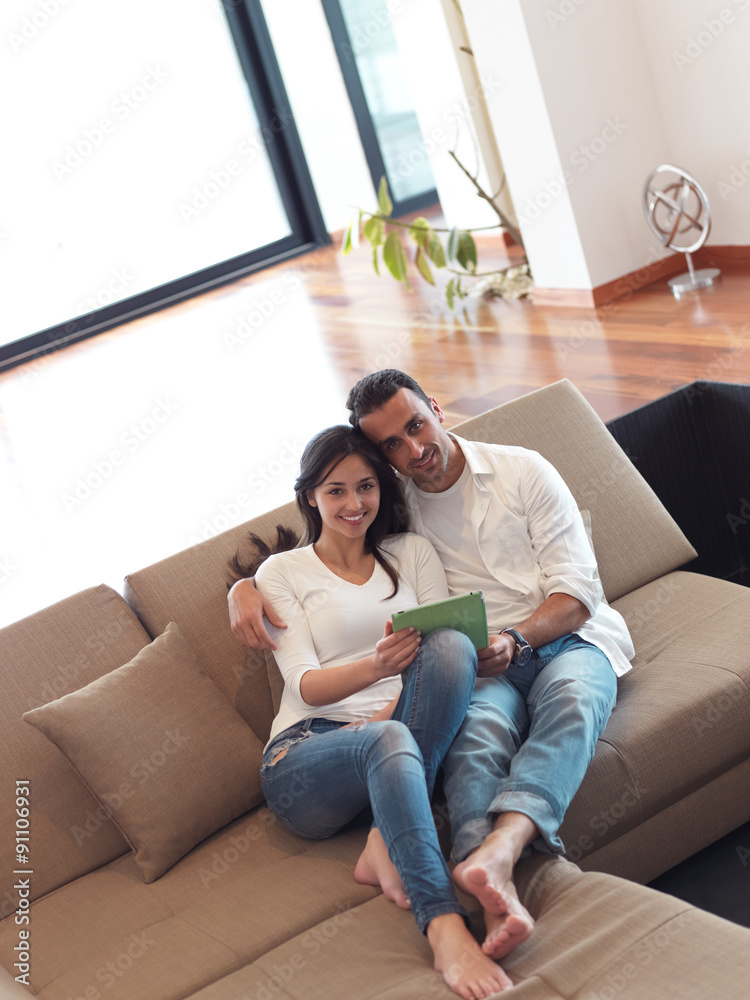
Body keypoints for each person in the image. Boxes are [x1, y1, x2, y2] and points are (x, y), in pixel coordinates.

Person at [228, 371, 634, 963]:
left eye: (415, 426)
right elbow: (312, 651)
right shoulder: (370, 528)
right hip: (407, 700)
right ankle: (465, 897)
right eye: (392, 445)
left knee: (542, 692)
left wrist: (512, 640)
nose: (413, 451)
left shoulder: (511, 478)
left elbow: (575, 594)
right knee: (474, 738)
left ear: (435, 408)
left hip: (557, 640)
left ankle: (499, 854)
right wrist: (242, 586)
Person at [230, 423, 512, 1000]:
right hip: (305, 756)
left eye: (366, 487)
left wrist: (392, 706)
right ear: (310, 496)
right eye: (335, 491)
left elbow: (445, 643)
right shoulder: (281, 573)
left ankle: (383, 839)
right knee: (389, 740)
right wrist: (379, 670)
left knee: (452, 644)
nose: (354, 504)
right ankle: (444, 927)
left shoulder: (409, 553)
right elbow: (305, 685)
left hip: (394, 730)